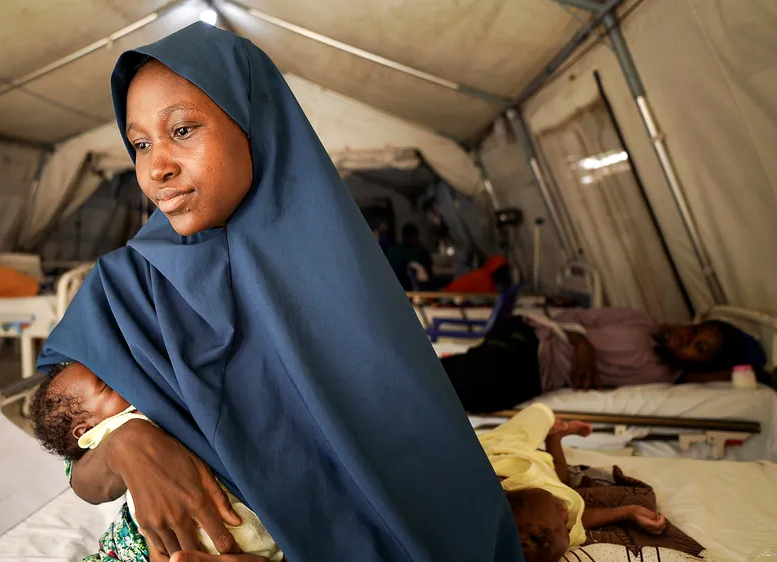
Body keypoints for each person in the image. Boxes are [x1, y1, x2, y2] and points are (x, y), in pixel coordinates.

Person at [37, 22, 520, 562]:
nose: (157, 167)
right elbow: (80, 470)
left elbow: (422, 479)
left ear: (253, 124)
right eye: (140, 143)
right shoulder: (122, 287)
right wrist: (126, 446)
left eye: (183, 131)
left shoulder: (339, 276)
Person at [29, 361, 283, 562]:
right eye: (106, 385)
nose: (118, 378)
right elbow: (80, 475)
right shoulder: (116, 426)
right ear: (85, 430)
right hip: (138, 545)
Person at [482, 404, 703, 562]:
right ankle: (555, 439)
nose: (567, 516)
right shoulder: (554, 518)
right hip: (545, 472)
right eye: (566, 528)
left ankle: (549, 426)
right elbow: (582, 517)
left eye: (561, 518)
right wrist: (626, 512)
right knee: (565, 481)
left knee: (538, 414)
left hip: (508, 450)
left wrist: (542, 417)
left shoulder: (492, 479)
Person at [442, 307, 770, 412]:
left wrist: (760, 372)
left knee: (468, 400)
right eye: (696, 330)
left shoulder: (665, 377)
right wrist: (582, 343)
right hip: (532, 342)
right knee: (459, 379)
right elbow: (562, 315)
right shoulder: (640, 320)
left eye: (699, 348)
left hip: (537, 379)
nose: (687, 339)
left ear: (701, 365)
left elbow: (738, 373)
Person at [386, 222, 433, 290]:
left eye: (414, 235)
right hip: (401, 286)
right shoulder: (396, 251)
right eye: (410, 235)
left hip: (421, 287)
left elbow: (426, 273)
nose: (413, 238)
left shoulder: (421, 251)